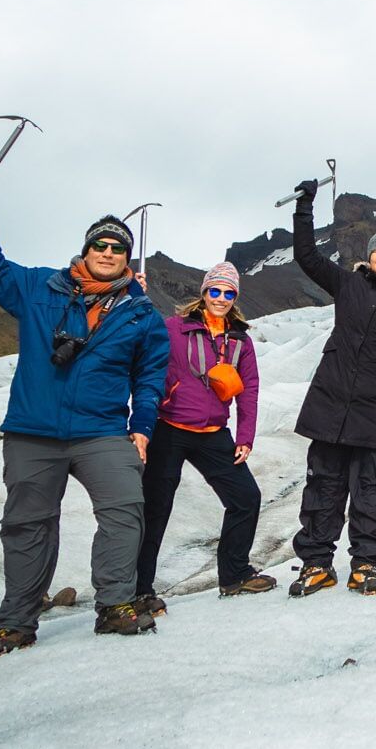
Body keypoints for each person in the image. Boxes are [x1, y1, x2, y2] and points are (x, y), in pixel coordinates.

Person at [0, 185, 169, 656]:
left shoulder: (141, 314)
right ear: (86, 249)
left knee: (125, 509)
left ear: (128, 259)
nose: (108, 253)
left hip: (102, 430)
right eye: (101, 245)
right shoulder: (38, 289)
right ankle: (16, 622)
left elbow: (151, 375)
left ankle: (115, 604)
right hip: (33, 431)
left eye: (118, 248)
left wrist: (142, 426)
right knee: (27, 523)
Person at [286, 181, 376, 597]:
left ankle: (366, 564)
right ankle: (316, 564)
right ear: (369, 255)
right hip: (331, 401)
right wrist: (304, 208)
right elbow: (307, 256)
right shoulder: (348, 284)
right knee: (323, 486)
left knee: (370, 489)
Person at [133, 262, 274, 616]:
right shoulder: (173, 329)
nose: (221, 298)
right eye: (215, 290)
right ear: (204, 292)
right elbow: (138, 342)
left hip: (214, 433)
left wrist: (245, 437)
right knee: (155, 508)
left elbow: (250, 391)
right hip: (170, 428)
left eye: (229, 293)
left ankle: (234, 575)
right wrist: (134, 295)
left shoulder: (240, 339)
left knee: (246, 498)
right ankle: (139, 590)